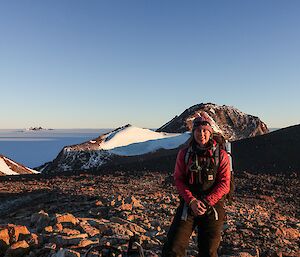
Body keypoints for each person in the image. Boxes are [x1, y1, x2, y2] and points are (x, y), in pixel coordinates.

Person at [162, 116, 231, 257]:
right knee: (173, 247)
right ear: (193, 133)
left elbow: (225, 183)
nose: (202, 134)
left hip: (213, 206)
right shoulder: (184, 154)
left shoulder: (221, 155)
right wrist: (192, 201)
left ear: (211, 132)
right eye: (198, 130)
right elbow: (179, 179)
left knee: (209, 251)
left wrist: (206, 202)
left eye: (205, 130)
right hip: (190, 204)